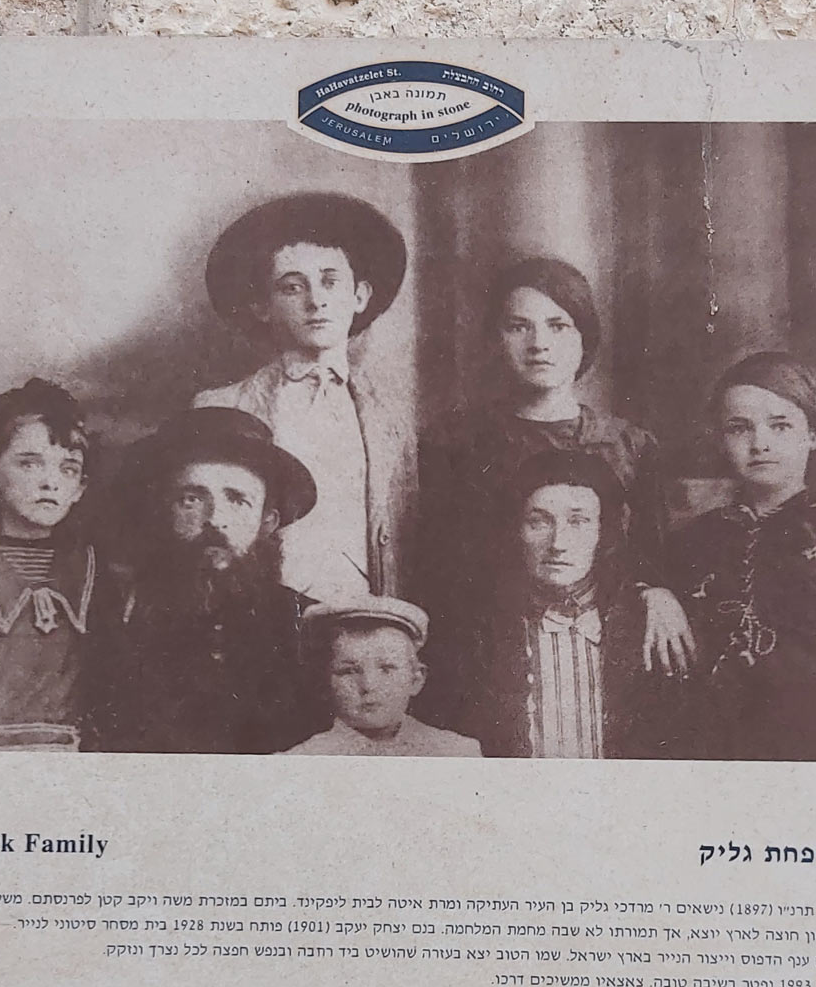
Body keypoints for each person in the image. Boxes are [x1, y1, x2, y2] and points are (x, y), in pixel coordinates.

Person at [416, 257, 692, 729]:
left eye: (558, 325)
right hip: (488, 662)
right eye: (518, 326)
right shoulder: (455, 442)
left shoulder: (629, 445)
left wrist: (659, 590)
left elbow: (649, 555)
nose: (539, 343)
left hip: (601, 659)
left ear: (584, 337)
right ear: (495, 339)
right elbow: (439, 568)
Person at [195, 192, 410, 602]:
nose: (316, 301)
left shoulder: (393, 420)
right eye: (293, 287)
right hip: (261, 623)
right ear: (262, 306)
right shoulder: (220, 407)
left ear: (359, 296)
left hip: (361, 617)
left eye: (331, 281)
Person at [83, 407, 325, 754]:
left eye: (238, 500)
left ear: (267, 521)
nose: (215, 520)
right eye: (192, 499)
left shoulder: (307, 625)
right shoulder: (116, 615)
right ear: (162, 511)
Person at [666, 352, 816, 762]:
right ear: (720, 439)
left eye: (780, 425)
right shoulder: (697, 538)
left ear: (814, 435)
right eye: (739, 428)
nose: (760, 443)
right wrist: (653, 592)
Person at [456, 448, 683, 759]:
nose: (558, 543)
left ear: (603, 532)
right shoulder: (479, 633)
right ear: (515, 531)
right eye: (539, 522)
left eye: (578, 522)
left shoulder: (651, 624)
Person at [0, 378, 95, 750]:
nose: (50, 482)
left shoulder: (93, 575)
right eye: (30, 464)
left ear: (80, 488)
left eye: (68, 469)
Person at [288, 597, 481, 757]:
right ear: (324, 683)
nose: (368, 686)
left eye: (387, 669)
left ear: (416, 680)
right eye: (349, 671)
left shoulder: (457, 752)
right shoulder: (302, 760)